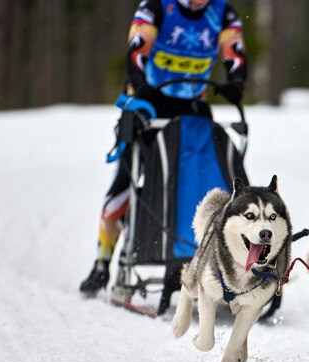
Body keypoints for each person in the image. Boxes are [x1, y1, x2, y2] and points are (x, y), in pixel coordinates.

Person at [79, 0, 248, 313]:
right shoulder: (156, 7)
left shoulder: (222, 13)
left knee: (204, 171)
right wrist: (140, 85)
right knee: (125, 182)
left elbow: (234, 52)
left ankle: (194, 251)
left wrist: (236, 81)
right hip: (148, 100)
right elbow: (137, 49)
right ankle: (102, 262)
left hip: (191, 103)